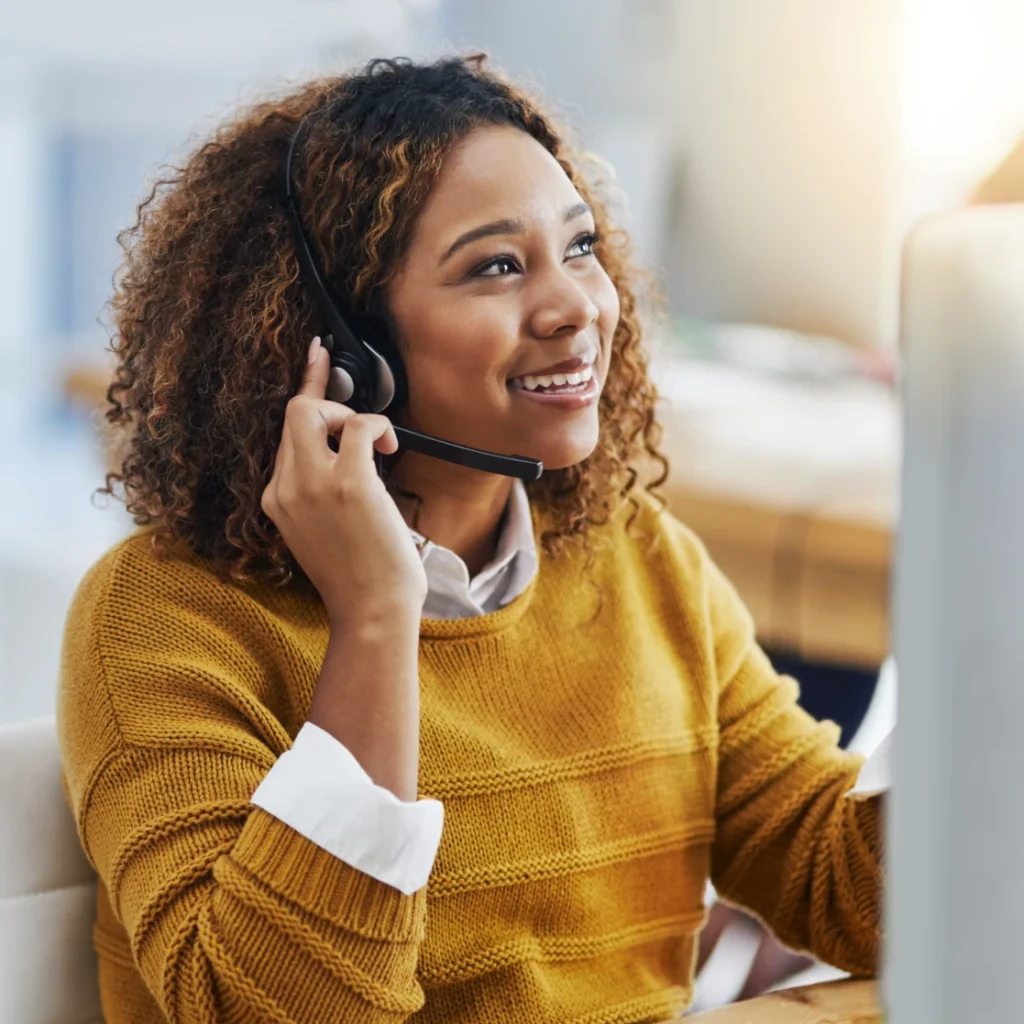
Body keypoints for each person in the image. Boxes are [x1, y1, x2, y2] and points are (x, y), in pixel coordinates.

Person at [57, 55, 882, 1024]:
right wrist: (374, 619)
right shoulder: (163, 615)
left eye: (579, 248)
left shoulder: (634, 554)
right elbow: (272, 1011)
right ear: (340, 347)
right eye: (495, 265)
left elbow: (847, 887)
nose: (577, 306)